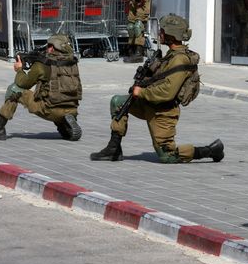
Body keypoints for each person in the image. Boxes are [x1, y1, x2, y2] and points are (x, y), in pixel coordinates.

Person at [90, 14, 224, 164]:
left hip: (163, 112)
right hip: (151, 104)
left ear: (171, 35)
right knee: (118, 102)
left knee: (168, 156)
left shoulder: (180, 59)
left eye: (162, 31)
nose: (159, 34)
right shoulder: (171, 55)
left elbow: (167, 91)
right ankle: (113, 149)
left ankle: (210, 150)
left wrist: (141, 92)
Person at [0, 34, 82, 141]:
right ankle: (65, 124)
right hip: (72, 109)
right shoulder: (72, 62)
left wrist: (19, 70)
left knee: (14, 89)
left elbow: (23, 83)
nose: (47, 48)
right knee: (57, 93)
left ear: (53, 47)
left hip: (49, 110)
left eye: (49, 45)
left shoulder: (43, 64)